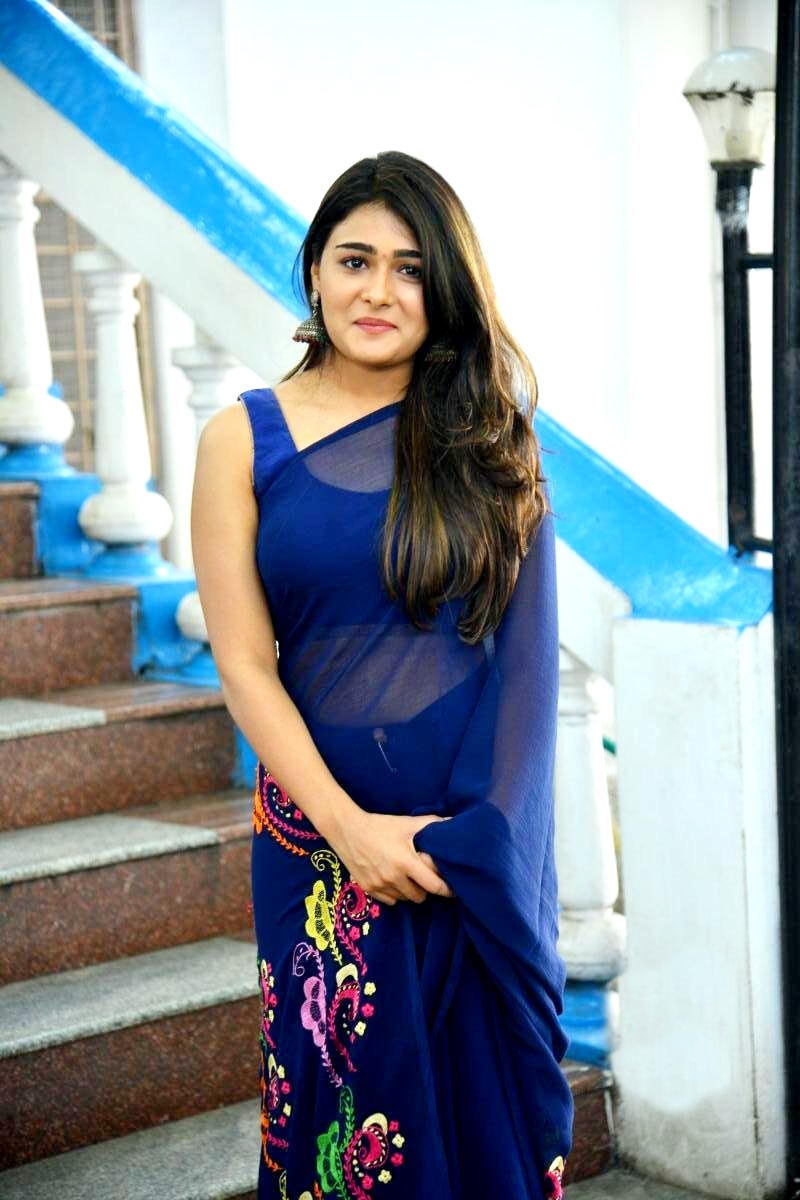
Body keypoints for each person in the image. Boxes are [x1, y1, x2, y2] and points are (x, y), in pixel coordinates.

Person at [191, 150, 574, 1200]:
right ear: (315, 270)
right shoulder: (241, 439)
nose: (379, 291)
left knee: (474, 1123)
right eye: (355, 260)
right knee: (343, 1130)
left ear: (443, 286)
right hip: (318, 846)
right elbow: (243, 662)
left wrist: (476, 840)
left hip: (465, 845)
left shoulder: (489, 439)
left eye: (410, 268)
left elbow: (526, 670)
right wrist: (348, 830)